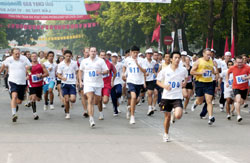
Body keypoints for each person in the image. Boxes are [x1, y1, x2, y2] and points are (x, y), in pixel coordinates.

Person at [156, 51, 188, 142]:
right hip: (166, 97)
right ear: (171, 59)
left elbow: (186, 78)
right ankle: (166, 133)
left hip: (177, 96)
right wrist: (165, 86)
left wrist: (184, 83)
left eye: (179, 58)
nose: (177, 60)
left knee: (178, 115)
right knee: (167, 117)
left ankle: (175, 112)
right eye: (175, 58)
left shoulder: (183, 70)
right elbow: (158, 81)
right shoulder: (165, 70)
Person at [79, 47, 109, 127]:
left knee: (96, 101)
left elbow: (107, 71)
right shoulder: (84, 61)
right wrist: (80, 81)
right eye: (91, 51)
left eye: (94, 51)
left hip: (98, 84)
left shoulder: (100, 61)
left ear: (96, 52)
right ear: (89, 52)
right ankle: (91, 118)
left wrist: (101, 72)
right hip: (88, 83)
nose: (93, 52)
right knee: (90, 99)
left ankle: (95, 112)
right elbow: (80, 70)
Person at [0, 48, 32, 122]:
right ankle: (14, 114)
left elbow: (30, 67)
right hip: (12, 81)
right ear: (12, 54)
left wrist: (29, 69)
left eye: (19, 54)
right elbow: (3, 67)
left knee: (19, 101)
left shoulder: (24, 58)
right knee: (14, 96)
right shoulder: (8, 60)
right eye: (16, 54)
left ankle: (15, 105)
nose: (18, 55)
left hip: (22, 82)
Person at [190, 48, 217, 125]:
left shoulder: (211, 61)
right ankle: (196, 103)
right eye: (207, 55)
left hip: (209, 83)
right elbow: (191, 72)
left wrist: (215, 69)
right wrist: (200, 72)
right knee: (200, 101)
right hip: (200, 83)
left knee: (209, 100)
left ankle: (210, 117)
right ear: (203, 54)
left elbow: (213, 72)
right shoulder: (199, 61)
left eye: (210, 55)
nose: (209, 56)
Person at [122, 45, 146, 124]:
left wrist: (138, 64)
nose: (135, 54)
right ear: (131, 52)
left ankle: (130, 108)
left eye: (136, 53)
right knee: (133, 96)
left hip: (139, 82)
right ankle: (132, 117)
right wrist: (123, 74)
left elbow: (144, 71)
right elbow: (124, 67)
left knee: (137, 100)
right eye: (134, 52)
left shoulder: (142, 60)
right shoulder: (127, 60)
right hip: (130, 81)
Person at [226, 56, 250, 122]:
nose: (239, 64)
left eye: (241, 62)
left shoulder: (247, 67)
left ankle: (235, 105)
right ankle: (239, 116)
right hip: (236, 87)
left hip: (244, 87)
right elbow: (227, 73)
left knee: (241, 102)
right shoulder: (233, 68)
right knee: (238, 100)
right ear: (235, 62)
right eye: (238, 62)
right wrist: (227, 82)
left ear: (243, 62)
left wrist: (247, 78)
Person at [57, 50, 79, 119]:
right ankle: (67, 113)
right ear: (64, 56)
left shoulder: (74, 63)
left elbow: (77, 72)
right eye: (67, 56)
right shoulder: (61, 64)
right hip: (64, 84)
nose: (68, 57)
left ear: (71, 56)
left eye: (69, 56)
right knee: (66, 100)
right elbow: (58, 74)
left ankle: (68, 104)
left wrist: (77, 80)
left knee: (73, 100)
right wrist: (62, 78)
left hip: (72, 83)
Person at [28, 52, 48, 120]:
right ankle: (35, 114)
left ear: (37, 57)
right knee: (33, 98)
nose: (34, 57)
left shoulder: (41, 65)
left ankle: (31, 102)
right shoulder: (29, 66)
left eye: (35, 56)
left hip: (39, 84)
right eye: (32, 56)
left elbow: (47, 73)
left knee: (38, 99)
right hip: (31, 84)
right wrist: (26, 77)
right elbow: (26, 73)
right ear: (30, 57)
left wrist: (41, 75)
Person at [98, 50, 116, 120]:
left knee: (105, 100)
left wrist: (112, 81)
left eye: (104, 55)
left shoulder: (110, 64)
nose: (102, 57)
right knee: (99, 100)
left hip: (107, 84)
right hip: (98, 84)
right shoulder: (96, 63)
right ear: (99, 56)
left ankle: (104, 101)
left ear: (105, 56)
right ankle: (101, 113)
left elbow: (115, 72)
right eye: (101, 55)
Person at [144, 48, 157, 116]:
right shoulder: (143, 61)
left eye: (150, 54)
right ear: (146, 54)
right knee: (138, 96)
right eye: (148, 53)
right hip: (143, 80)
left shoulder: (154, 62)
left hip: (151, 79)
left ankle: (149, 108)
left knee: (150, 93)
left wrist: (155, 73)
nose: (149, 55)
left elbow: (153, 69)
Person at [79, 47, 90, 118]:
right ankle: (85, 110)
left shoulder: (94, 60)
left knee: (89, 96)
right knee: (83, 94)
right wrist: (78, 81)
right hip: (82, 80)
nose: (87, 53)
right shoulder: (80, 60)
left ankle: (89, 109)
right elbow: (78, 71)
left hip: (91, 81)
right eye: (86, 52)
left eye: (88, 52)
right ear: (83, 52)